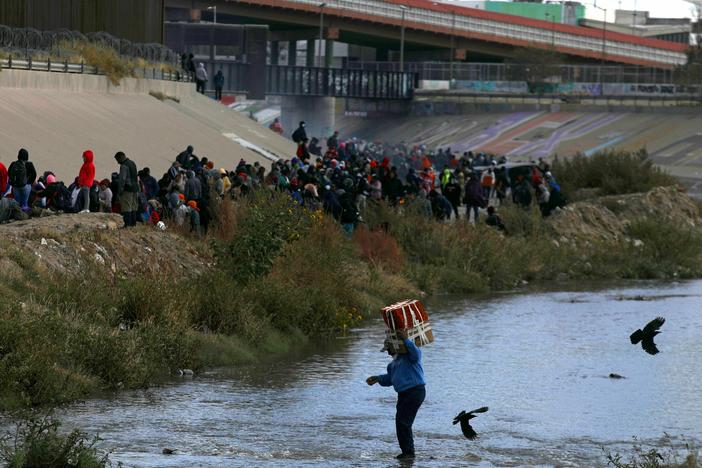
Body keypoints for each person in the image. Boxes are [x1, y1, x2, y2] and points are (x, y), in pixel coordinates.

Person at [366, 329, 426, 461]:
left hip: (415, 391)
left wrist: (406, 339)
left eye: (389, 349)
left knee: (404, 422)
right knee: (400, 422)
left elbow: (417, 354)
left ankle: (409, 453)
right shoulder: (392, 365)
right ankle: (407, 452)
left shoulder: (409, 357)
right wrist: (377, 379)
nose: (388, 352)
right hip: (404, 394)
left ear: (395, 347)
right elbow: (391, 379)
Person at [114, 151, 139, 227]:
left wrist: (120, 191)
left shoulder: (124, 166)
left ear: (120, 157)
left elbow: (122, 179)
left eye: (117, 160)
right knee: (134, 207)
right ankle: (133, 224)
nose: (118, 162)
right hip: (135, 188)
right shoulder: (132, 163)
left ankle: (127, 224)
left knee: (127, 207)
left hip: (127, 189)